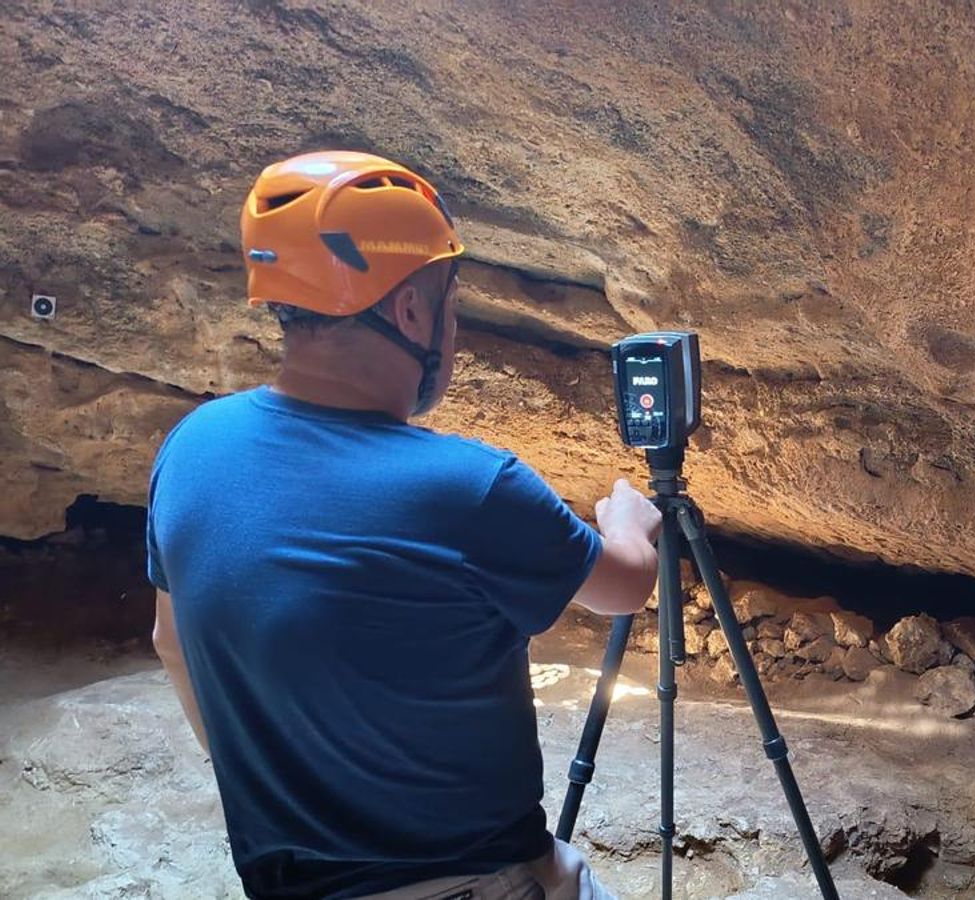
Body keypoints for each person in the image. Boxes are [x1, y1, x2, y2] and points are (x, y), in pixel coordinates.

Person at [146, 150, 660, 900]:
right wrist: (628, 520)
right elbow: (622, 590)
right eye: (449, 304)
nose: (452, 328)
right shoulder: (468, 487)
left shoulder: (189, 447)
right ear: (411, 311)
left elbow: (172, 641)